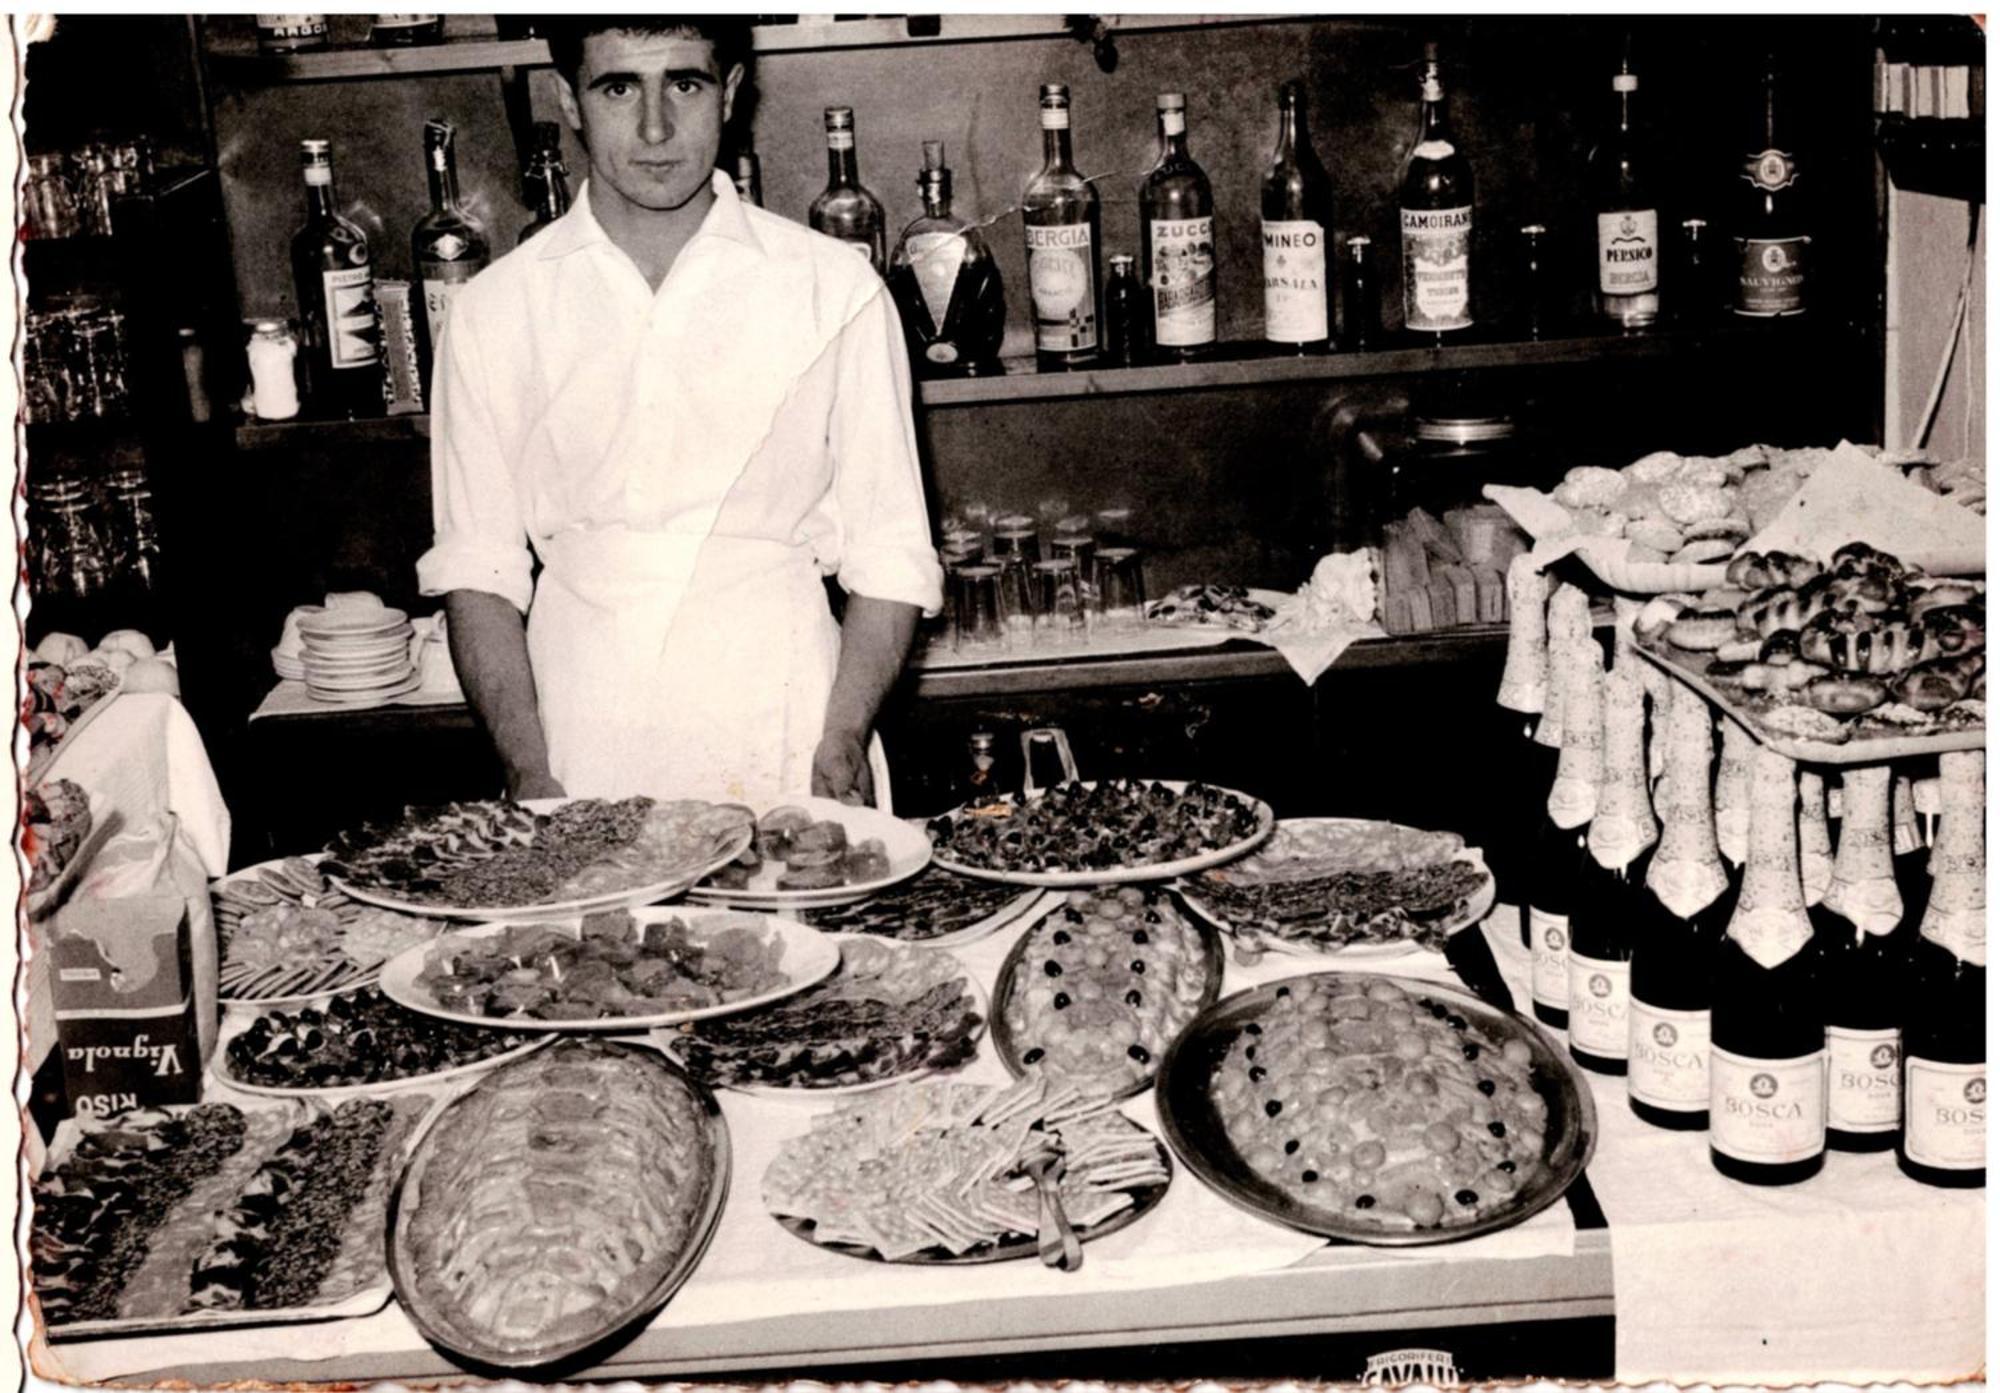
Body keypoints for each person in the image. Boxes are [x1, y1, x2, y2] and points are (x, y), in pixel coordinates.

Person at [415, 15, 943, 809]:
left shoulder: (833, 289)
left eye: (685, 84)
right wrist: (530, 771)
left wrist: (841, 738)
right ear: (569, 98)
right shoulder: (494, 311)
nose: (656, 128)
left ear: (730, 93)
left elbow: (890, 555)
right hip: (578, 743)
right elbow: (479, 572)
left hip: (789, 733)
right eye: (619, 87)